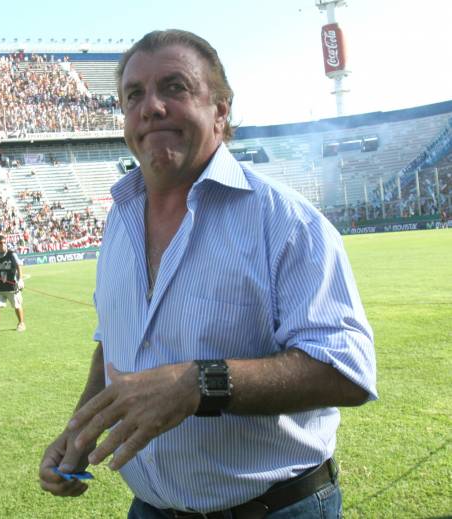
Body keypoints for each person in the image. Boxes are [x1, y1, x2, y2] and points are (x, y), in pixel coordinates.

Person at [39, 30, 377, 519]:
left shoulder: (286, 222)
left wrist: (199, 383)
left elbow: (347, 371)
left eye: (174, 87)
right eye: (134, 95)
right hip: (150, 509)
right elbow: (112, 339)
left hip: (273, 510)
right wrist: (80, 430)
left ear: (221, 110)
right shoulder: (120, 218)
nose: (151, 107)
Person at [0, 235, 26, 334]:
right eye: (0, 243)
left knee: (17, 305)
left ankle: (21, 323)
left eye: (4, 242)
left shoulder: (11, 254)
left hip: (12, 285)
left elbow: (18, 266)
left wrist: (20, 280)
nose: (3, 245)